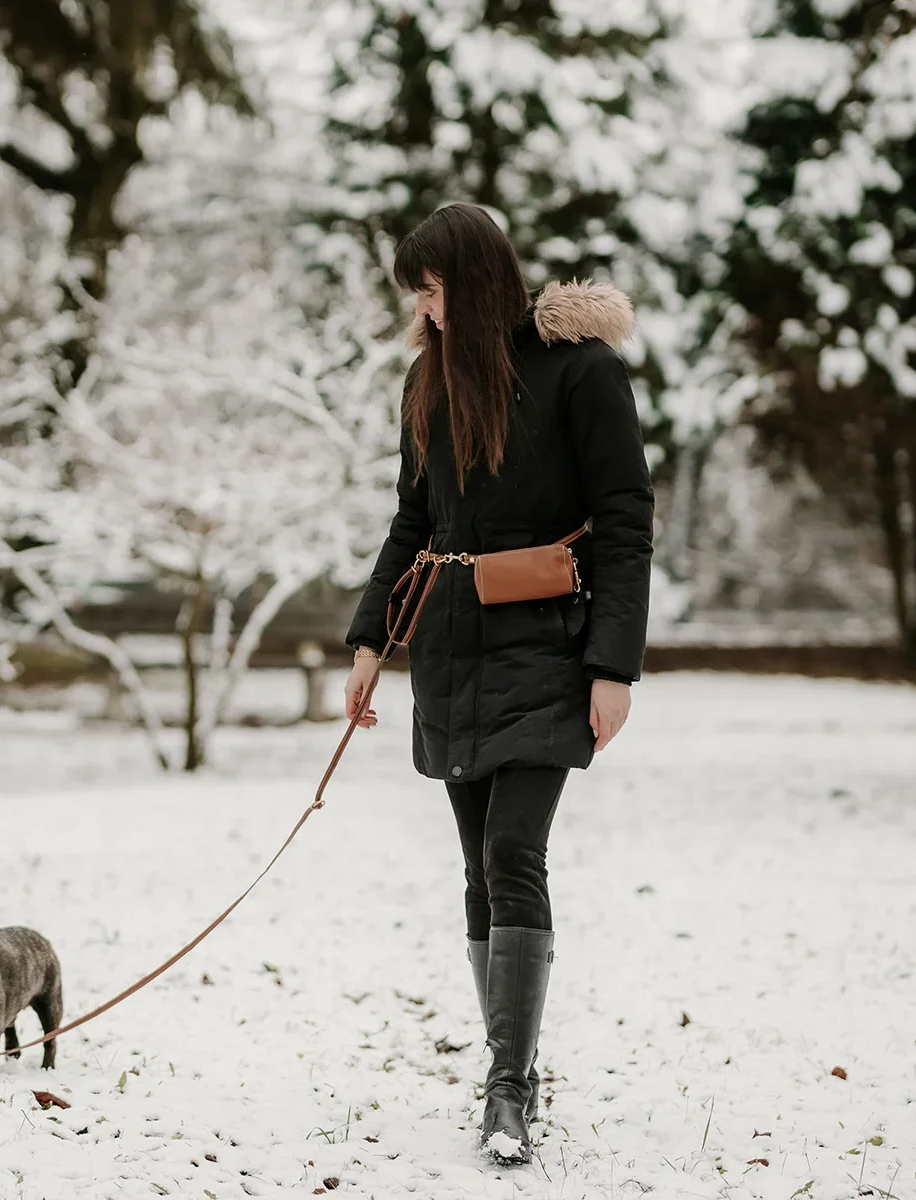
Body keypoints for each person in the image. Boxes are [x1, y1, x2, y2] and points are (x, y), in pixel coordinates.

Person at [342, 202, 654, 1166]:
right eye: (418, 299)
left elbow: (625, 518)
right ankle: (505, 1065)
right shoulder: (425, 384)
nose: (426, 314)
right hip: (448, 650)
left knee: (516, 849)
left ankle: (509, 1088)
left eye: (434, 292)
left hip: (547, 647)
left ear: (473, 285)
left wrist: (613, 666)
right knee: (479, 866)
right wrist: (366, 640)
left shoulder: (582, 373)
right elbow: (411, 522)